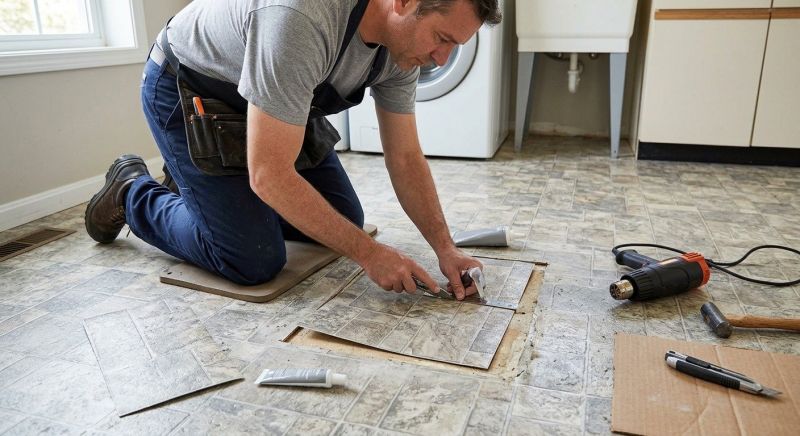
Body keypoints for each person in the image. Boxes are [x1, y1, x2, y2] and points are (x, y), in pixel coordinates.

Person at [84, 0, 501, 299]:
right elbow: (269, 175)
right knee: (252, 259)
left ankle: (205, 190)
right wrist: (369, 254)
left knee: (344, 221)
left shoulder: (401, 50)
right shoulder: (301, 17)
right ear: (406, 3)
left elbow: (405, 156)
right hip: (190, 87)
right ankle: (131, 191)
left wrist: (445, 248)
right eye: (442, 38)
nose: (439, 57)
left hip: (271, 103)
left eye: (454, 47)